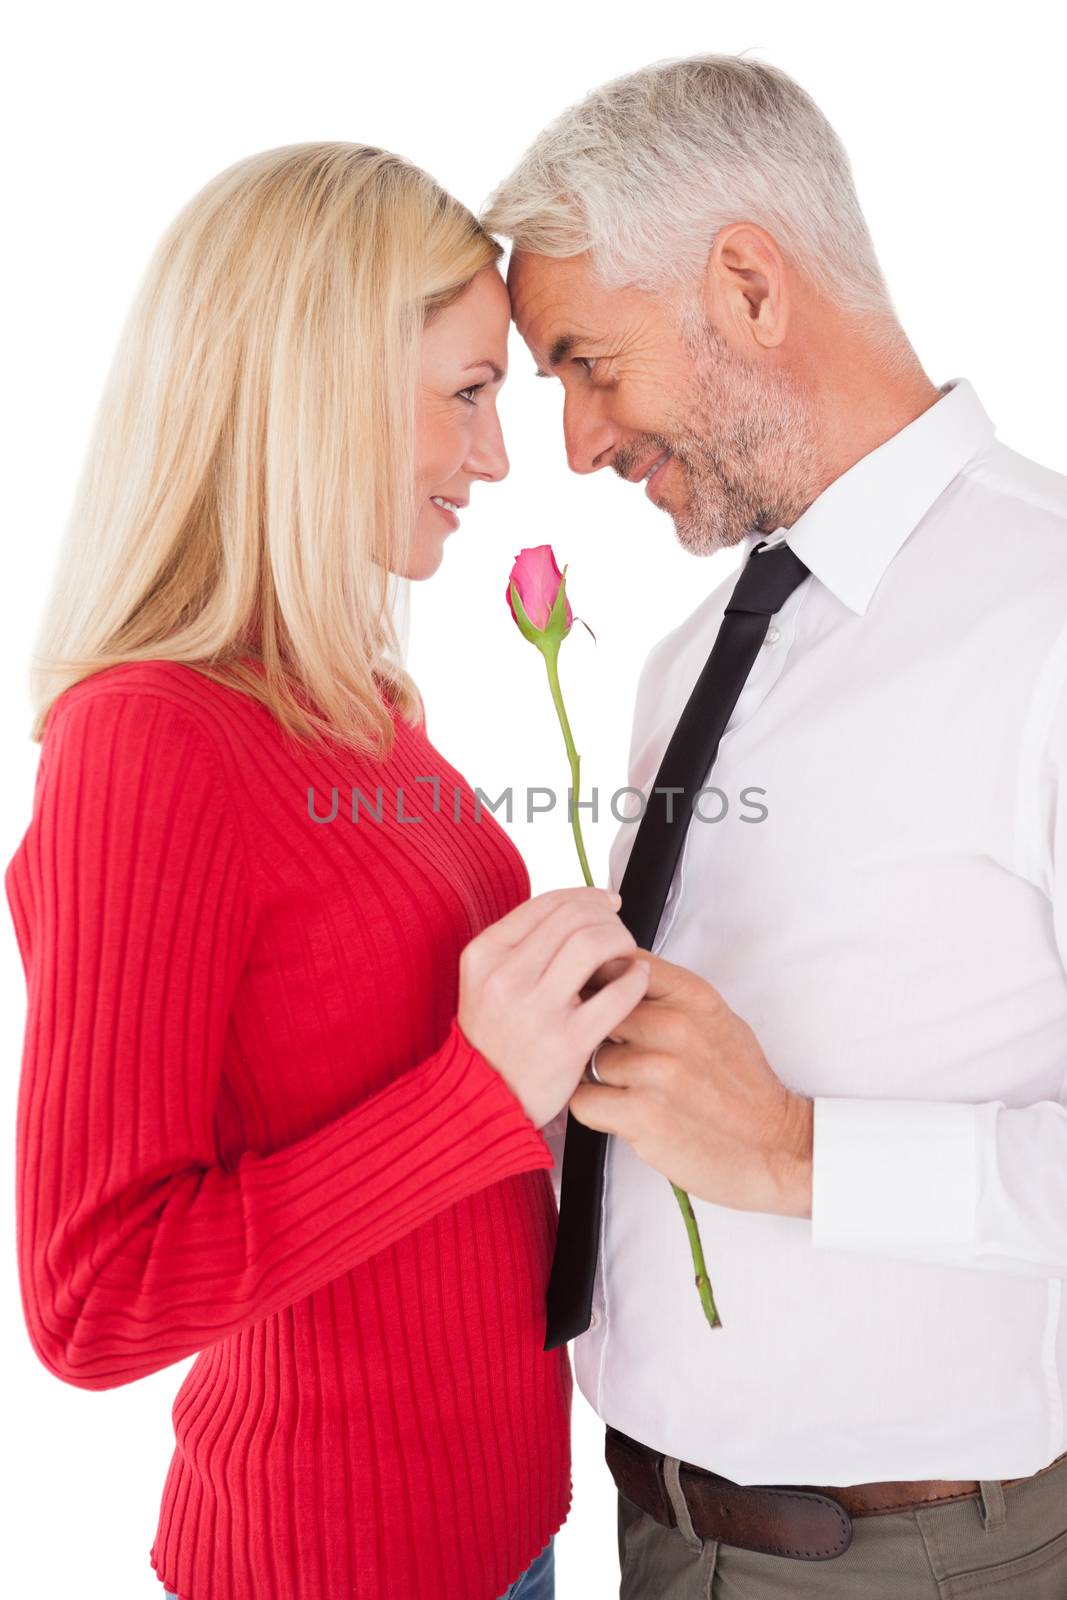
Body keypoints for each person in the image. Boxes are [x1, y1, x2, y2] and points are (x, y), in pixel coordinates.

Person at [4, 142, 652, 1600]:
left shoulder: (357, 703)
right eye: (470, 393)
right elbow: (92, 1299)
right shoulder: (144, 740)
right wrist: (482, 1095)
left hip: (513, 1540)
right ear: (315, 381)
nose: (497, 459)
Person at [482, 52, 1067, 1598]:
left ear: (747, 284)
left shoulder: (1055, 617)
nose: (577, 443)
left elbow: (767, 1141)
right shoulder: (690, 659)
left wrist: (807, 1154)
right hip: (657, 1537)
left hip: (921, 1560)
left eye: (589, 362)